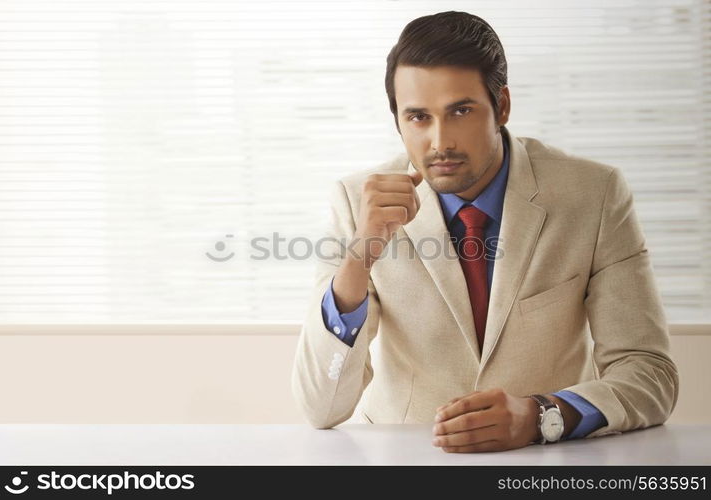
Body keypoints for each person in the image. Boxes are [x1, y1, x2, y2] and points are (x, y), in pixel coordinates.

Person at [291, 11, 679, 453]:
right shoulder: (357, 201)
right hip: (405, 460)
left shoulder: (594, 195)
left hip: (549, 463)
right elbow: (321, 409)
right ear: (398, 120)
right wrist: (360, 257)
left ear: (503, 106)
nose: (440, 142)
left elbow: (650, 374)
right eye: (418, 117)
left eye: (460, 111)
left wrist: (542, 416)